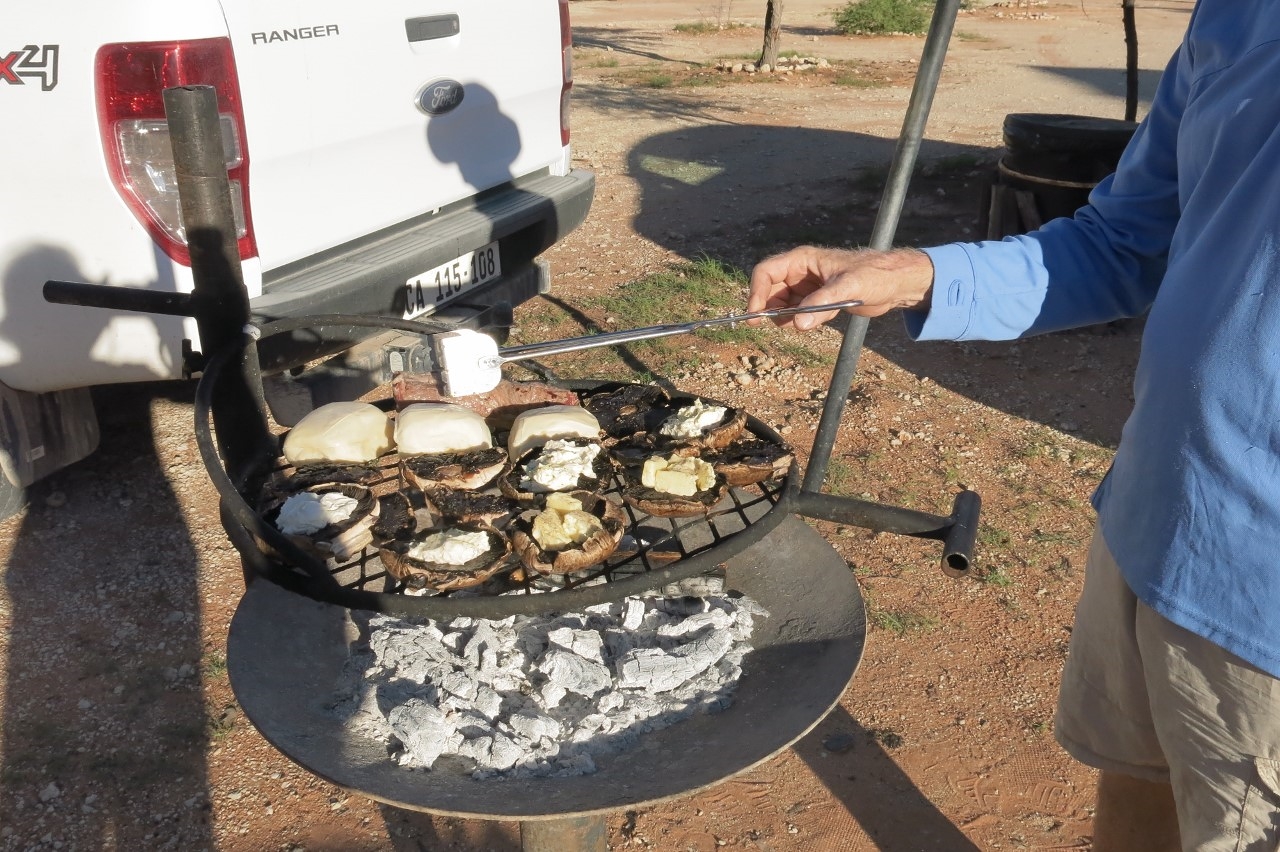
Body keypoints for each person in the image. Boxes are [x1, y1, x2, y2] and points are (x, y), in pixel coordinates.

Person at [746, 3, 1280, 850]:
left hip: (1261, 612)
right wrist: (914, 274)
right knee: (1135, 799)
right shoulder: (1239, 13)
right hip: (1153, 518)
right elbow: (1122, 242)